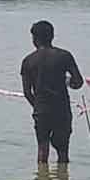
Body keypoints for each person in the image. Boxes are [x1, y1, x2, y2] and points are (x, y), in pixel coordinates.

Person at [20, 20, 84, 164]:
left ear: (35, 39)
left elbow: (27, 92)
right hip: (62, 109)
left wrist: (37, 106)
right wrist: (69, 83)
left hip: (41, 110)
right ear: (52, 36)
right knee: (63, 151)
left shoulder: (28, 61)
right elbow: (78, 82)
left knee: (42, 148)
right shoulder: (64, 56)